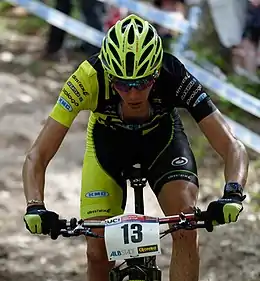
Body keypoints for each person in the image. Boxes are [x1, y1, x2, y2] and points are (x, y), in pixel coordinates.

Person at [22, 14, 248, 281]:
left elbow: (232, 146)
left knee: (185, 224)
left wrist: (233, 192)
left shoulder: (173, 74)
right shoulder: (87, 77)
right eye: (122, 84)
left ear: (156, 72)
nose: (133, 94)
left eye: (142, 83)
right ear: (109, 74)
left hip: (162, 142)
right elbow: (38, 154)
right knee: (98, 250)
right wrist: (35, 205)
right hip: (109, 145)